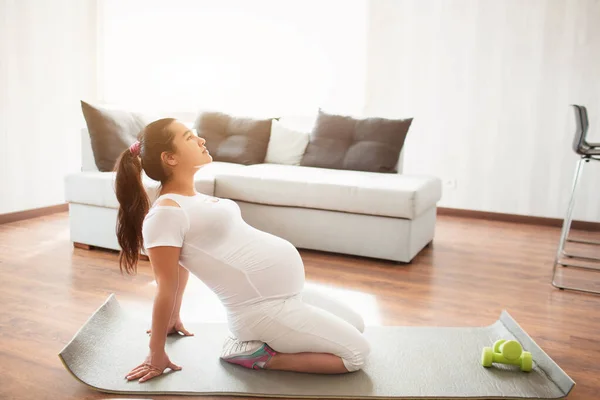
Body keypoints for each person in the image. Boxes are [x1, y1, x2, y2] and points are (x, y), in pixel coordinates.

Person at [114, 118, 370, 384]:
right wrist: (156, 353)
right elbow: (165, 285)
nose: (201, 140)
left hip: (288, 296)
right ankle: (258, 356)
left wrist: (174, 317)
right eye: (189, 138)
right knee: (356, 355)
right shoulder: (164, 214)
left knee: (357, 324)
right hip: (263, 311)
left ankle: (278, 339)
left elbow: (181, 266)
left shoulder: (191, 199)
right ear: (170, 158)